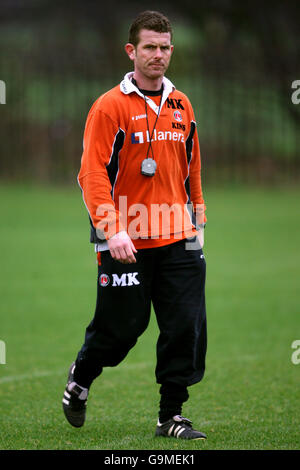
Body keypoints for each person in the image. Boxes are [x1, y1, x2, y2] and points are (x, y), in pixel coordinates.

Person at [62, 10, 207, 440]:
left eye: (164, 48)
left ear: (171, 51)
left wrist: (197, 216)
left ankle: (171, 415)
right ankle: (81, 377)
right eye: (149, 47)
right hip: (124, 238)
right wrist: (113, 228)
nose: (158, 55)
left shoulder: (182, 104)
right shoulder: (109, 106)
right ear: (132, 51)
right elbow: (91, 175)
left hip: (179, 236)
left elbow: (191, 166)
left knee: (185, 326)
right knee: (122, 330)